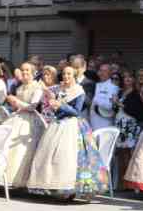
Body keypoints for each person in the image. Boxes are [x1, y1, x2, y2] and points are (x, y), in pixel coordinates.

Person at [27, 65, 109, 201]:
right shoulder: (59, 89)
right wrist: (53, 103)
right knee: (49, 153)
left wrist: (60, 105)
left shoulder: (78, 91)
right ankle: (51, 186)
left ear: (74, 76)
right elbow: (54, 106)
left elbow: (76, 111)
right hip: (57, 123)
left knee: (68, 155)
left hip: (72, 125)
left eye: (69, 74)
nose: (66, 76)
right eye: (64, 74)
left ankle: (69, 189)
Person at [0, 62, 47, 190]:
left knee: (23, 149)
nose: (24, 72)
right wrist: (13, 103)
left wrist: (16, 101)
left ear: (33, 73)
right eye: (23, 70)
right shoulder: (20, 86)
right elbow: (18, 106)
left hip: (30, 118)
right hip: (18, 116)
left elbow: (32, 106)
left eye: (27, 70)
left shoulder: (37, 87)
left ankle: (22, 180)